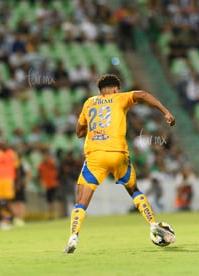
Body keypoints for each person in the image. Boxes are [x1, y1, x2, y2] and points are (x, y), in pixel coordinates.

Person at [63, 74, 175, 253]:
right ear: (115, 88)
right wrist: (165, 112)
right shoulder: (120, 98)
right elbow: (143, 95)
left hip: (96, 157)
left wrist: (95, 128)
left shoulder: (89, 103)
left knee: (81, 200)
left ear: (100, 90)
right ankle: (153, 224)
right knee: (134, 191)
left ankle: (73, 236)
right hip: (118, 154)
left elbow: (78, 132)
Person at [0, 140, 19, 230]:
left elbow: (17, 168)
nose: (3, 145)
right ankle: (6, 216)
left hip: (8, 179)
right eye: (2, 143)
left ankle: (10, 218)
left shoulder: (12, 154)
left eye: (5, 143)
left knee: (7, 201)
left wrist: (16, 182)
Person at [37, 149, 60, 220]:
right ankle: (51, 215)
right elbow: (39, 175)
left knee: (53, 200)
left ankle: (55, 214)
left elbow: (56, 167)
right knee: (49, 201)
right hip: (47, 185)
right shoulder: (41, 165)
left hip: (53, 184)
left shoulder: (50, 162)